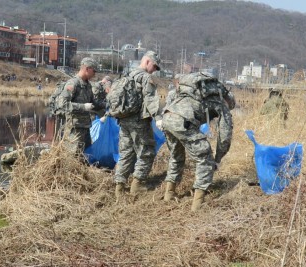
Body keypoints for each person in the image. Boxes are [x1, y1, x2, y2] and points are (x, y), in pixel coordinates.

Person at [159, 73, 235, 211]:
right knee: (205, 159)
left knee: (176, 156)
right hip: (183, 122)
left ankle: (168, 195)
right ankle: (197, 205)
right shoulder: (221, 104)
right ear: (228, 101)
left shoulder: (195, 93)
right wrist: (217, 159)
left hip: (167, 118)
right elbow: (224, 137)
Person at [114, 50, 161, 198]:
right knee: (147, 152)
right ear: (147, 62)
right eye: (154, 66)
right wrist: (158, 118)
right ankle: (137, 185)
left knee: (125, 153)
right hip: (139, 122)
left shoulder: (128, 75)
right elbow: (151, 99)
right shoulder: (146, 78)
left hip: (123, 120)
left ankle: (119, 187)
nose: (154, 70)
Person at [56, 57, 105, 156]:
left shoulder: (87, 85)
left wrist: (107, 106)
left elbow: (93, 103)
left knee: (86, 155)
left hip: (86, 127)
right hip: (75, 128)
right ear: (87, 69)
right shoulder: (73, 83)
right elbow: (62, 104)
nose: (95, 74)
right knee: (72, 156)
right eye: (94, 71)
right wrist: (83, 107)